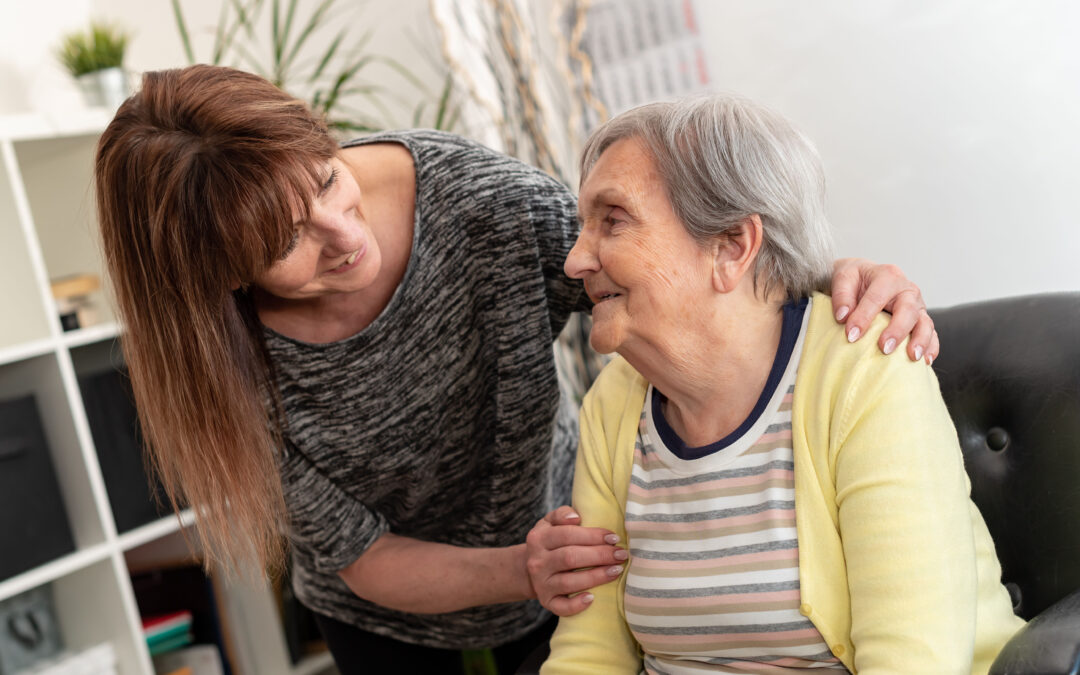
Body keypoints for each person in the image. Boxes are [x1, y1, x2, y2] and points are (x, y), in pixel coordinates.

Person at [94, 65, 940, 674]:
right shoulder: (223, 360)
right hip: (389, 618)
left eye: (327, 179)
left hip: (562, 578)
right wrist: (519, 567)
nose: (344, 234)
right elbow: (362, 553)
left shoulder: (477, 203)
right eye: (287, 243)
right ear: (224, 279)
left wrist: (837, 280)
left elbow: (662, 262)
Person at [539, 95, 1025, 674]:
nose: (574, 260)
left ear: (731, 247)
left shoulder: (861, 374)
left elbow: (912, 661)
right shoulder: (615, 404)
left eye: (612, 220)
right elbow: (588, 654)